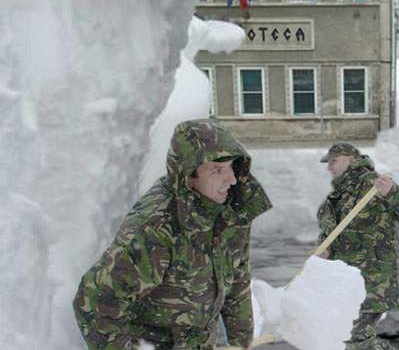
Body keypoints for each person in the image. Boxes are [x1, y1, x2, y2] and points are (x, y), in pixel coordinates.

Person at [73, 119, 272, 349]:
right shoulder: (156, 228)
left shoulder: (230, 212)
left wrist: (241, 344)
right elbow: (94, 302)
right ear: (187, 176)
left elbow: (236, 284)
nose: (231, 179)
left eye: (231, 167)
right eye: (217, 170)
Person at [316, 142, 399, 350]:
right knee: (350, 340)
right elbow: (330, 234)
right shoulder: (336, 197)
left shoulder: (372, 186)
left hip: (372, 281)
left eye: (333, 161)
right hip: (344, 284)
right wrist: (324, 248)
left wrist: (392, 193)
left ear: (350, 160)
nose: (329, 167)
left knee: (350, 339)